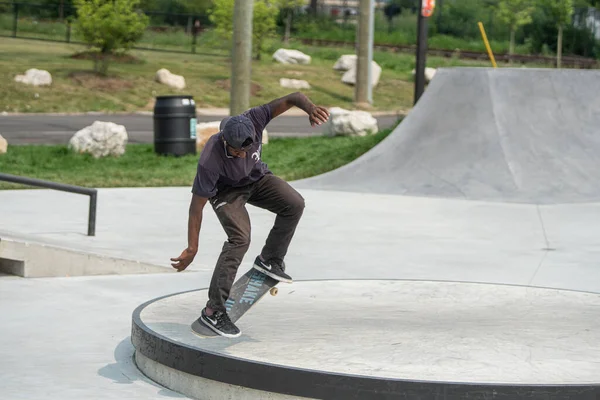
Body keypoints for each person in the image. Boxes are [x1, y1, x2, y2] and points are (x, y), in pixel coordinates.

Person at [170, 92, 330, 338]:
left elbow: (293, 98)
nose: (242, 155)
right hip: (227, 193)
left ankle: (271, 259)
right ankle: (214, 311)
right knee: (240, 239)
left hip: (257, 179)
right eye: (237, 152)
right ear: (226, 142)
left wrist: (310, 108)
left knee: (294, 204)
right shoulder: (210, 160)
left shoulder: (255, 118)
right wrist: (192, 248)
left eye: (247, 150)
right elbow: (196, 208)